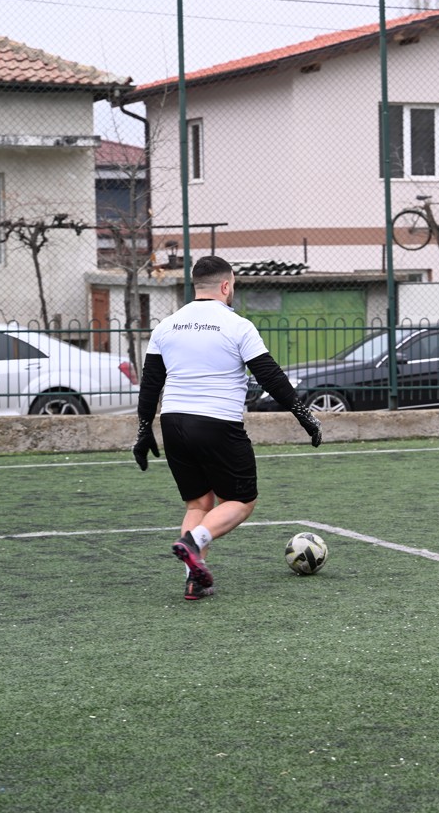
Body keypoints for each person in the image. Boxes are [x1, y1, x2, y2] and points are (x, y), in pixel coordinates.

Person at [131, 255, 322, 600]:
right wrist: (304, 415)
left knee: (198, 504)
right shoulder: (238, 325)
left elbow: (151, 384)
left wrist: (144, 429)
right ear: (225, 285)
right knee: (241, 500)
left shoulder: (166, 326)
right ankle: (194, 541)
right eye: (233, 285)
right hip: (217, 423)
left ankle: (195, 580)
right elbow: (270, 376)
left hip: (173, 423)